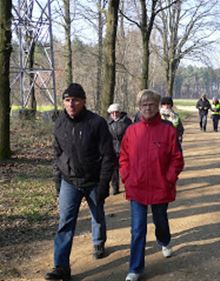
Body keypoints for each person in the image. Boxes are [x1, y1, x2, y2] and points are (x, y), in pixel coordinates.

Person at [45, 83, 116, 281]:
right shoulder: (59, 123)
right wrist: (58, 181)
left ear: (83, 101)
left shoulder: (97, 122)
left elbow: (108, 156)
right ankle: (61, 267)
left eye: (75, 100)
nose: (71, 104)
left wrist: (103, 184)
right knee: (65, 223)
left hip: (93, 180)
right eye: (67, 100)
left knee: (97, 214)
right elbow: (57, 154)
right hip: (69, 181)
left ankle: (98, 242)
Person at [119, 89, 184, 281]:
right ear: (139, 108)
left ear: (157, 107)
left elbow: (177, 159)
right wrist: (127, 177)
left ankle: (164, 240)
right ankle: (135, 268)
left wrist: (169, 179)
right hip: (137, 187)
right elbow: (123, 158)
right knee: (138, 229)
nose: (148, 108)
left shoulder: (168, 130)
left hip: (160, 187)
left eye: (151, 104)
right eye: (144, 105)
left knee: (160, 221)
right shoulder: (131, 131)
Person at [107, 103, 132, 195]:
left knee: (126, 168)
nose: (114, 114)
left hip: (125, 149)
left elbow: (131, 135)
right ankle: (115, 188)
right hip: (112, 149)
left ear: (120, 112)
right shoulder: (107, 123)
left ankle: (129, 185)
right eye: (112, 113)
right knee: (114, 170)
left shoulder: (127, 122)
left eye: (116, 112)